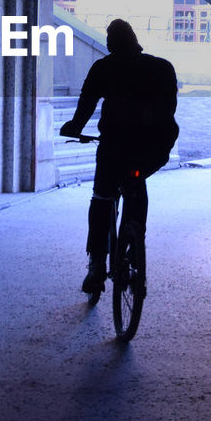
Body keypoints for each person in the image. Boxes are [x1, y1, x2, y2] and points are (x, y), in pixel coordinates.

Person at [58, 19, 179, 295]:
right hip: (151, 149)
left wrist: (75, 127)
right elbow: (169, 109)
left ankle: (97, 265)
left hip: (115, 146)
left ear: (112, 44)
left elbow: (87, 103)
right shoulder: (161, 67)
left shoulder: (104, 68)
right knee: (136, 184)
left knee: (102, 197)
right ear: (135, 40)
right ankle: (134, 249)